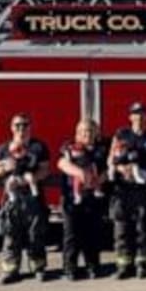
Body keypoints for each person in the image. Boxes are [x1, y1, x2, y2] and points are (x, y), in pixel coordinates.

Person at [0, 113, 50, 284]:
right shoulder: (3, 149)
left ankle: (38, 268)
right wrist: (4, 167)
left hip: (33, 197)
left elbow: (45, 169)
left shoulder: (38, 147)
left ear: (30, 127)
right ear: (11, 127)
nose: (21, 128)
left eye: (25, 125)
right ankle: (10, 270)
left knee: (36, 234)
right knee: (11, 235)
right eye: (17, 125)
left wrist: (29, 178)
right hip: (11, 199)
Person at [108, 102, 146, 279]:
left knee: (143, 226)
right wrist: (121, 169)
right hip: (122, 187)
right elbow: (112, 158)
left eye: (142, 114)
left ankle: (143, 263)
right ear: (130, 117)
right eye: (136, 114)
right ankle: (124, 264)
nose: (139, 118)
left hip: (143, 189)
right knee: (122, 227)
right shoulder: (121, 134)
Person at [57, 119, 108, 281]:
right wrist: (80, 173)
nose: (87, 134)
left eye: (91, 130)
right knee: (71, 235)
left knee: (92, 234)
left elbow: (108, 169)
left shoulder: (102, 150)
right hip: (72, 199)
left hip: (93, 199)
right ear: (77, 133)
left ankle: (92, 266)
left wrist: (99, 179)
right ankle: (70, 268)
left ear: (96, 133)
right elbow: (61, 163)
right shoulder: (69, 147)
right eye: (84, 131)